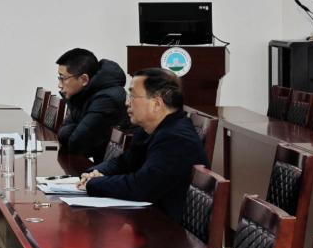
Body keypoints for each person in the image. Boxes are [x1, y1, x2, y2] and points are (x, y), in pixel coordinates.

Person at [78, 68, 208, 222]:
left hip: (167, 230)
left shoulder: (176, 139)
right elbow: (124, 162)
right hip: (148, 218)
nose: (127, 103)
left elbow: (140, 187)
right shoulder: (152, 129)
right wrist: (95, 172)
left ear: (157, 104)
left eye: (132, 96)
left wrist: (94, 183)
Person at [54, 48, 129, 161]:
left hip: (112, 170)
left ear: (84, 79)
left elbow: (77, 144)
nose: (59, 85)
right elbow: (65, 132)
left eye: (63, 78)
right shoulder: (84, 94)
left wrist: (71, 130)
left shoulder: (106, 100)